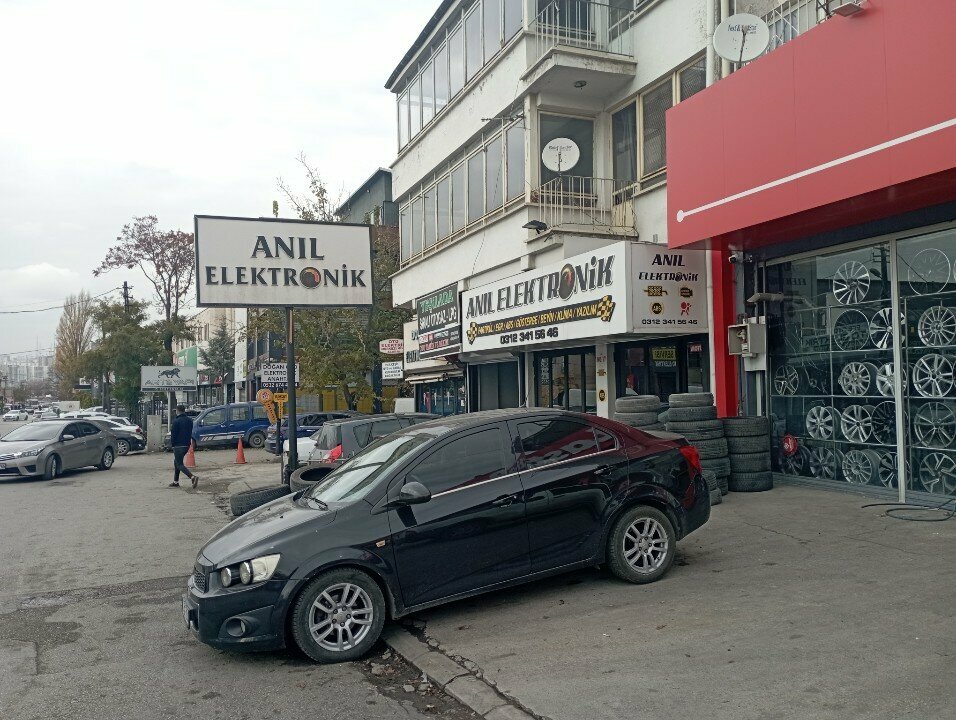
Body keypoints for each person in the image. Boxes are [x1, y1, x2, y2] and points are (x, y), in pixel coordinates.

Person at [170, 405, 199, 488]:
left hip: (178, 445)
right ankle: (176, 482)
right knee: (177, 462)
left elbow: (173, 434)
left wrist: (172, 444)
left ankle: (192, 477)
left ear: (178, 411)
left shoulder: (176, 421)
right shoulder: (190, 420)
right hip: (186, 445)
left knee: (179, 464)